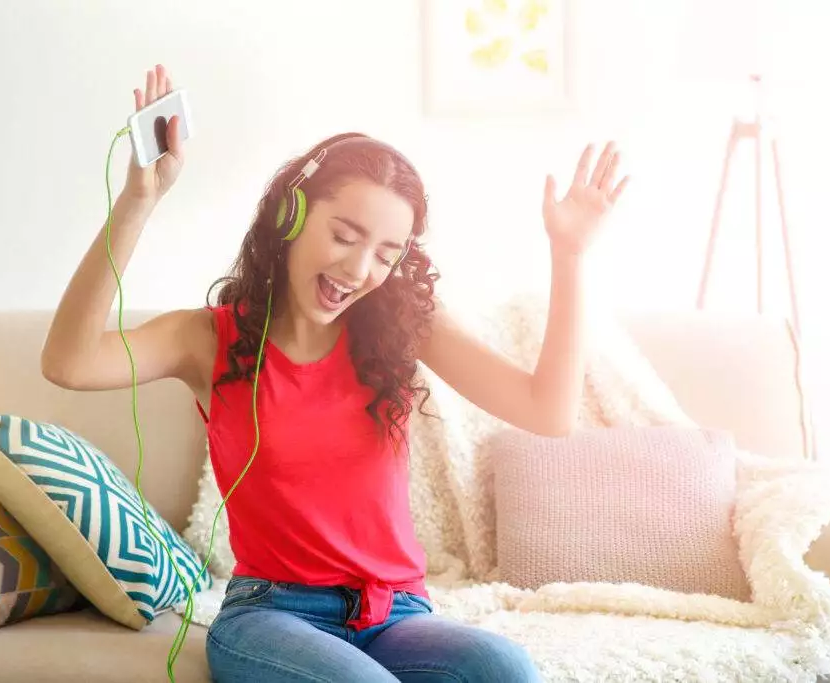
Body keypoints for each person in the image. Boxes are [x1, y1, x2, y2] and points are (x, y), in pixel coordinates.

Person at [42, 64, 628, 683]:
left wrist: (570, 254)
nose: (359, 268)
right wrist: (140, 201)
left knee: (502, 667)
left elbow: (550, 412)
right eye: (345, 235)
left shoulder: (403, 327)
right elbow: (69, 363)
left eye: (385, 253)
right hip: (271, 615)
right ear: (291, 216)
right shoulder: (207, 337)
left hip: (395, 614)